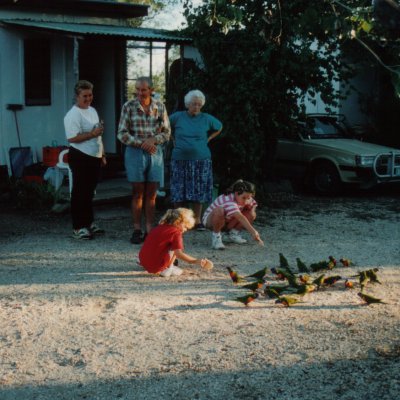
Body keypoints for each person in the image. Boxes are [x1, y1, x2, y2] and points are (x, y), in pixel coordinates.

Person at [118, 77, 171, 244]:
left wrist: (152, 141)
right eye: (138, 90)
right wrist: (142, 143)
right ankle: (136, 229)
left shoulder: (160, 107)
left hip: (155, 153)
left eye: (144, 90)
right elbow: (122, 133)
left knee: (152, 194)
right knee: (137, 193)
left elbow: (167, 132)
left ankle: (149, 229)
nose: (140, 93)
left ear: (151, 90)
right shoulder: (128, 107)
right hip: (135, 152)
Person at [169, 89, 222, 231]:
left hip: (201, 159)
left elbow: (219, 127)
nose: (196, 107)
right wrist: (172, 139)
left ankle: (197, 220)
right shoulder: (178, 117)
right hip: (180, 159)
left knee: (198, 190)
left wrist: (209, 138)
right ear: (187, 104)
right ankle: (178, 219)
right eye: (193, 104)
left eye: (199, 104)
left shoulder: (206, 118)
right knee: (179, 190)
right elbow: (164, 126)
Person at [64, 80, 106, 240]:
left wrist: (102, 154)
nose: (88, 98)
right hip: (80, 155)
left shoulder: (93, 110)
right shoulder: (72, 115)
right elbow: (72, 138)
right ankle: (78, 227)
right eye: (84, 96)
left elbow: (99, 133)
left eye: (90, 95)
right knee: (79, 192)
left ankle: (89, 223)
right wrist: (92, 134)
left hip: (94, 155)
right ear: (77, 96)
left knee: (89, 192)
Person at [139, 208, 213, 277]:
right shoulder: (176, 232)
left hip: (143, 261)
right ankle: (167, 268)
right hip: (156, 267)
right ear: (178, 222)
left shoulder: (158, 227)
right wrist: (194, 261)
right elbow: (179, 254)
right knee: (175, 248)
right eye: (185, 227)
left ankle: (159, 265)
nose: (185, 230)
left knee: (163, 245)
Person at [202, 179, 264, 250]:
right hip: (210, 221)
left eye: (248, 198)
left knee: (251, 213)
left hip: (227, 220)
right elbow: (239, 217)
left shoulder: (245, 197)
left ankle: (233, 234)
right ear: (236, 193)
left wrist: (250, 209)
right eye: (243, 198)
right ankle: (216, 237)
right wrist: (253, 232)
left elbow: (254, 204)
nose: (246, 200)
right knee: (219, 210)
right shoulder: (228, 199)